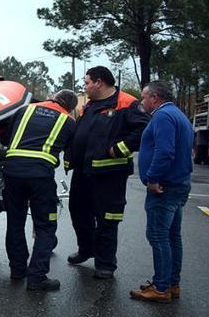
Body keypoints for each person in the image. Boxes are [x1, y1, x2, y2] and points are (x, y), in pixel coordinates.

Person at [64, 66, 150, 279]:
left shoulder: (127, 103)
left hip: (110, 174)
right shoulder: (90, 105)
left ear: (99, 82)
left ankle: (105, 264)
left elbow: (144, 130)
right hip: (84, 171)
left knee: (107, 218)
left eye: (87, 83)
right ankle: (86, 249)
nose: (85, 86)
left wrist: (120, 147)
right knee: (78, 212)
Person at [0, 89, 77, 291]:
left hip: (12, 172)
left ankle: (17, 270)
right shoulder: (68, 121)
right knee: (45, 226)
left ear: (53, 98)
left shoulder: (25, 109)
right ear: (70, 107)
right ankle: (37, 277)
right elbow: (72, 150)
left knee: (15, 222)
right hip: (40, 177)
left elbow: (5, 139)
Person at [130, 81, 194, 303]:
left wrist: (153, 178)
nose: (142, 101)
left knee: (158, 236)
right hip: (179, 183)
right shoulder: (179, 115)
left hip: (164, 187)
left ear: (154, 98)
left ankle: (161, 287)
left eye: (144, 97)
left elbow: (165, 151)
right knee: (172, 236)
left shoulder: (162, 116)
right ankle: (171, 283)